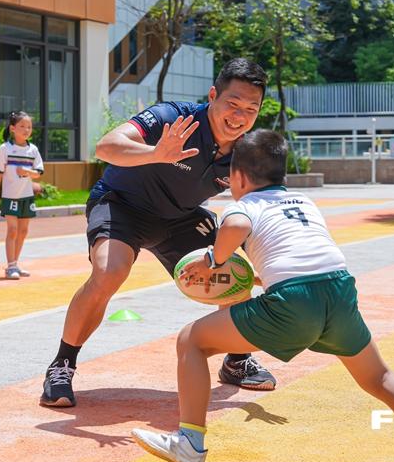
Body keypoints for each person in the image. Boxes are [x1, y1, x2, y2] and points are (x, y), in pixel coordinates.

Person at [131, 130, 394, 462]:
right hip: (338, 291)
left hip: (293, 303)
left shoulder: (244, 206)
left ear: (237, 176)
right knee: (379, 378)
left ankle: (190, 443)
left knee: (192, 340)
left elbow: (234, 226)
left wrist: (212, 258)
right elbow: (299, 260)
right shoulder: (304, 203)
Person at [40, 58, 277, 408]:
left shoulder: (246, 152)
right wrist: (155, 153)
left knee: (236, 276)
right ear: (213, 95)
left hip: (180, 218)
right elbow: (106, 147)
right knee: (109, 271)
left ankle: (237, 360)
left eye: (250, 109)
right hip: (122, 205)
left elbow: (254, 210)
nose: (239, 115)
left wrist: (268, 264)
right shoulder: (172, 118)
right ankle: (62, 364)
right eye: (233, 103)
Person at [0, 111, 44, 279]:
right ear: (12, 128)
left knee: (23, 230)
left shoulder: (33, 150)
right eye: (22, 126)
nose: (26, 129)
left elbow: (38, 173)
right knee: (12, 229)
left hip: (26, 197)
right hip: (10, 196)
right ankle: (11, 266)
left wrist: (27, 171)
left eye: (29, 127)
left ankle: (16, 263)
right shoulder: (5, 149)